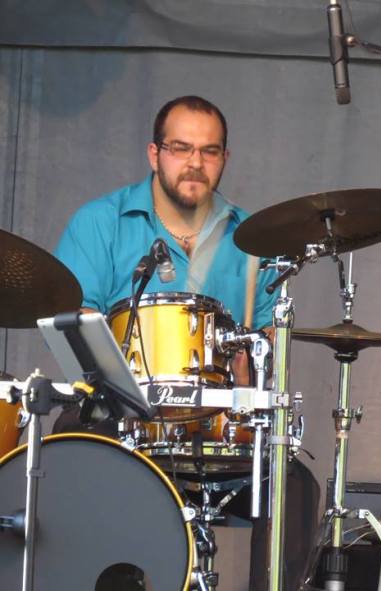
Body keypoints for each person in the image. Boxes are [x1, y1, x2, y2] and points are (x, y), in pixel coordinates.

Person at [54, 95, 318, 591]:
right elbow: (75, 320)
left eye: (209, 151)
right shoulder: (101, 222)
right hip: (117, 415)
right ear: (154, 154)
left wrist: (251, 370)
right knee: (75, 447)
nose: (195, 162)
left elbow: (266, 344)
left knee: (293, 484)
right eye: (181, 148)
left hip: (214, 427)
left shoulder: (254, 240)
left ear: (224, 158)